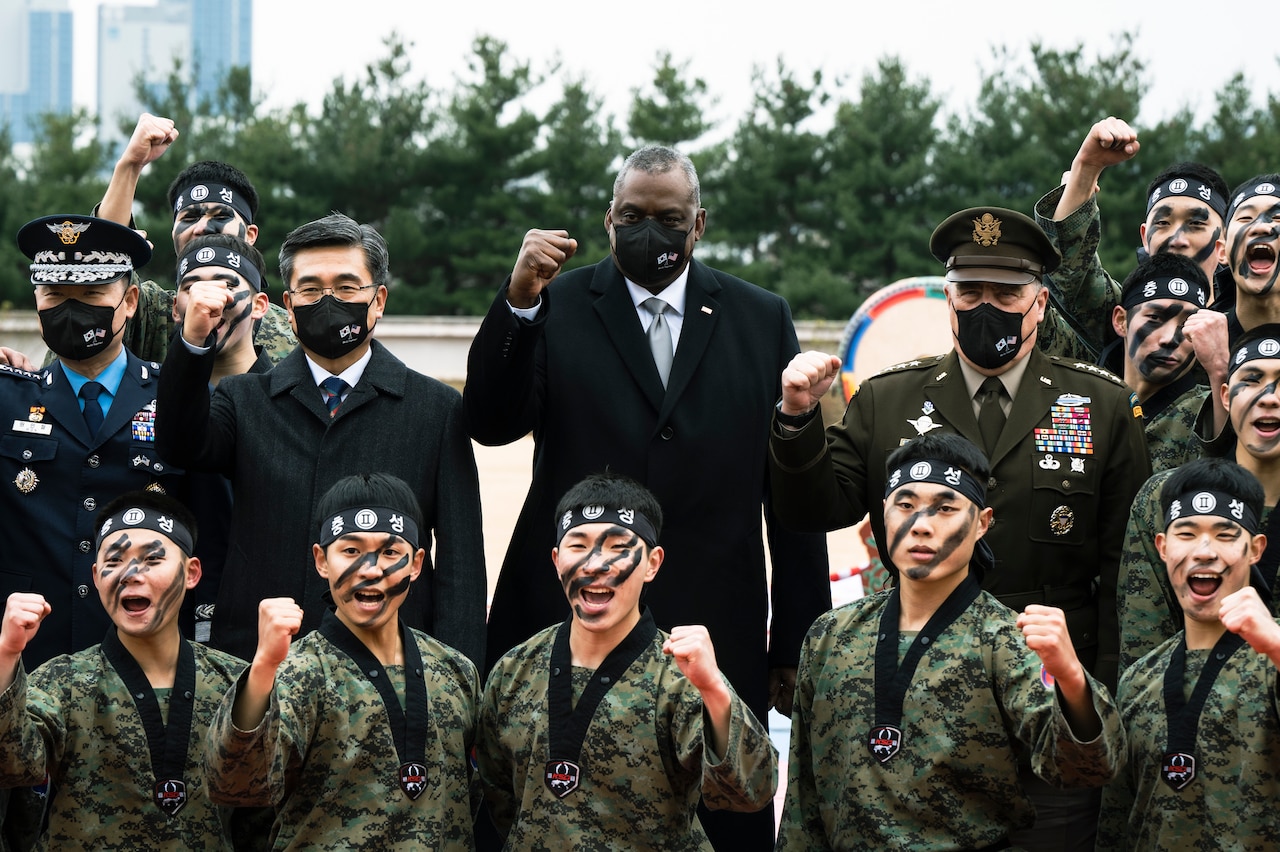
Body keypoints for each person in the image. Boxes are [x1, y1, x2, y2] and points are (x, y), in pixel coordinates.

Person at [463, 144, 828, 850]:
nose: (648, 231)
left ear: (699, 223)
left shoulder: (760, 317)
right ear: (608, 219)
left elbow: (789, 495)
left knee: (721, 814)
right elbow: (490, 422)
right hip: (568, 619)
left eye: (667, 217)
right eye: (632, 216)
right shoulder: (554, 304)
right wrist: (516, 302)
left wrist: (794, 639)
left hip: (714, 622)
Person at [769, 205, 1149, 850]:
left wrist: (1103, 697)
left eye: (1007, 293)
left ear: (1040, 301)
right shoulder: (889, 399)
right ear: (947, 297)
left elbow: (1122, 572)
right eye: (969, 291)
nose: (987, 307)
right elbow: (818, 509)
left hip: (1047, 701)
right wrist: (798, 417)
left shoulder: (1099, 404)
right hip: (920, 704)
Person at [154, 213, 486, 667]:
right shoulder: (243, 398)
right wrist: (193, 341)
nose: (328, 302)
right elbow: (178, 444)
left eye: (347, 288)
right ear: (288, 307)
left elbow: (461, 565)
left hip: (395, 666)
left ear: (379, 300)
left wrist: (459, 676)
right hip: (259, 663)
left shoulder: (436, 408)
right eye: (310, 290)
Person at [777, 433, 1123, 849]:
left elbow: (1086, 767)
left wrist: (1069, 675)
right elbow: (802, 794)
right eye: (905, 505)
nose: (920, 525)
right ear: (882, 514)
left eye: (945, 508)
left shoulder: (1006, 639)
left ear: (982, 523)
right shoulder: (831, 635)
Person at [475, 472, 777, 849]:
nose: (596, 564)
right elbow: (498, 796)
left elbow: (753, 791)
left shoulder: (682, 675)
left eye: (619, 547)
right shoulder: (514, 670)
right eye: (578, 545)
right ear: (556, 560)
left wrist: (714, 688)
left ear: (652, 563)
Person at [203, 472, 479, 848]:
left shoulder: (456, 671)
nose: (370, 569)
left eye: (390, 552)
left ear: (416, 564)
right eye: (350, 551)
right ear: (321, 561)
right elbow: (232, 784)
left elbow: (483, 791)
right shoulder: (296, 672)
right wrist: (265, 665)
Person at [0, 491, 248, 849]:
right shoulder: (63, 681)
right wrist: (8, 653)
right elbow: (12, 764)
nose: (131, 574)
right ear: (97, 577)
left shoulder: (236, 682)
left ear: (192, 572)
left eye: (152, 559)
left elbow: (262, 818)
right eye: (114, 561)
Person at [1, 214, 188, 666]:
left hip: (141, 653)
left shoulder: (179, 398)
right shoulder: (8, 396)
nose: (71, 309)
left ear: (129, 301)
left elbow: (213, 525)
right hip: (27, 652)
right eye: (55, 296)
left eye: (90, 295)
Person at [1098, 457, 1280, 850]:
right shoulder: (1139, 679)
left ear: (1255, 549)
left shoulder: (1273, 659)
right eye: (1186, 533)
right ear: (1162, 547)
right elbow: (1118, 823)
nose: (1204, 551)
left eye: (1225, 534)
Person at [1118, 325, 1280, 671]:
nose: (1269, 396)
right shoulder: (1164, 496)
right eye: (1251, 379)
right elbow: (1143, 642)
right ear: (1224, 395)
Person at [1032, 117, 1230, 381]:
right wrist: (1087, 167)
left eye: (1195, 224)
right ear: (1145, 237)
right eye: (1162, 222)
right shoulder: (1129, 311)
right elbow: (1071, 274)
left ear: (1225, 242)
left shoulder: (1243, 323)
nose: (1177, 238)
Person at [96, 113, 295, 366]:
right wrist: (130, 165)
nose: (202, 227)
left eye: (221, 215)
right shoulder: (152, 312)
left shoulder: (289, 330)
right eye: (189, 218)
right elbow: (102, 268)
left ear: (251, 235)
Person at [171, 233, 274, 644]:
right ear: (177, 308)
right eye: (192, 286)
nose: (210, 298)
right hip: (167, 624)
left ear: (260, 305)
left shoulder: (293, 396)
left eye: (228, 283)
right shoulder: (150, 395)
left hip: (265, 620)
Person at [1110, 252, 1221, 471]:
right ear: (1121, 321)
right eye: (1154, 318)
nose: (1170, 338)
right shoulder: (1092, 402)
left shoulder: (1212, 412)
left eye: (1187, 324)